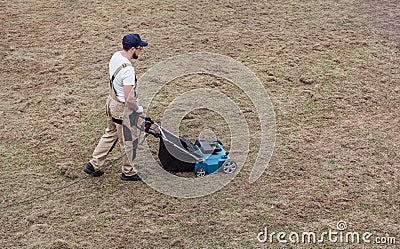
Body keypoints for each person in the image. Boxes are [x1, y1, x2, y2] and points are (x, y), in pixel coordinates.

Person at [84, 33, 148, 181]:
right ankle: (129, 171)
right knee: (129, 140)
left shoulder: (116, 56)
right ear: (133, 49)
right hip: (121, 109)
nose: (140, 52)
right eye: (140, 49)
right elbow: (128, 98)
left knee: (110, 133)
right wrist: (137, 109)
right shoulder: (128, 70)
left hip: (110, 102)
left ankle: (93, 164)